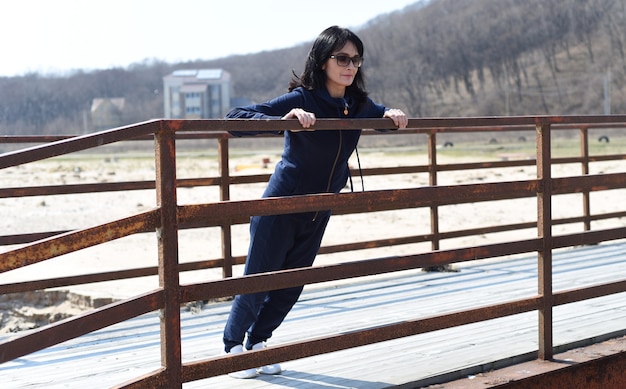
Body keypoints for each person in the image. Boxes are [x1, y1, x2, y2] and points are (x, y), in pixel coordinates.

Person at [222, 25, 408, 379]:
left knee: (292, 284)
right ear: (323, 62)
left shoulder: (358, 105)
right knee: (257, 281)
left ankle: (257, 343)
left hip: (319, 209)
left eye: (355, 59)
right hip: (280, 206)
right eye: (341, 58)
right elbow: (235, 120)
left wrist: (393, 114)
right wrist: (283, 120)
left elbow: (383, 114)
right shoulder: (302, 99)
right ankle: (232, 350)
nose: (349, 65)